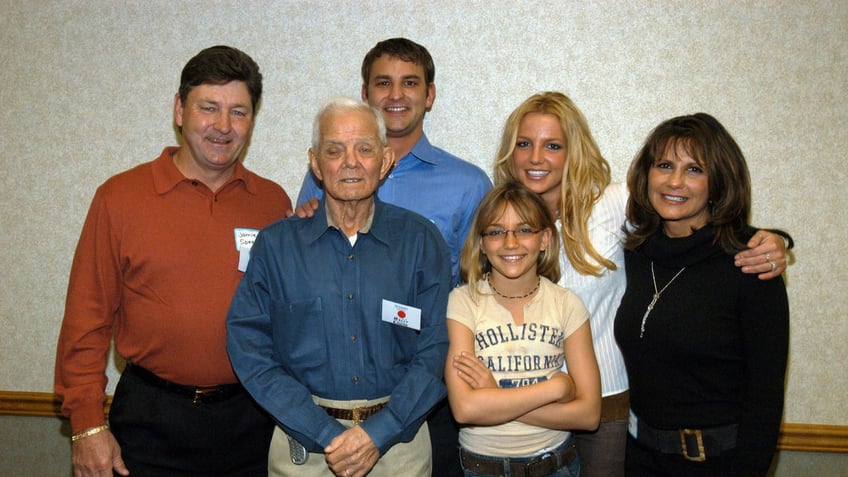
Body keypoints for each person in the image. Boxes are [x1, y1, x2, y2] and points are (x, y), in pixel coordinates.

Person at [492, 92, 790, 477]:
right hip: (530, 405)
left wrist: (774, 240)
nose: (536, 158)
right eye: (524, 144)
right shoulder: (499, 222)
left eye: (552, 145)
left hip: (610, 408)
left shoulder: (615, 209)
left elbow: (695, 219)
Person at [54, 45, 292, 476]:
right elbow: (86, 319)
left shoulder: (273, 203)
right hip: (150, 422)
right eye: (209, 108)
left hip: (251, 423)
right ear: (180, 110)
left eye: (239, 112)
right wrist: (86, 426)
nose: (223, 126)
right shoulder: (120, 198)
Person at [296, 37, 492, 475]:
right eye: (383, 83)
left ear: (430, 95)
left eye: (410, 83)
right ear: (365, 94)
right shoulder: (325, 176)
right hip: (339, 390)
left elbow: (482, 285)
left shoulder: (468, 183)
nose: (396, 95)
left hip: (429, 382)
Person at [226, 97, 452, 477]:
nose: (350, 161)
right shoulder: (277, 246)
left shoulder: (420, 241)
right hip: (304, 445)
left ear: (385, 161)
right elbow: (249, 347)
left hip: (399, 445)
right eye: (335, 150)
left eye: (364, 149)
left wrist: (378, 433)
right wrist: (324, 431)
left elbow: (437, 347)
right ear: (315, 163)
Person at [614, 113, 789, 476]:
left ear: (719, 182)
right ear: (647, 174)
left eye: (694, 170)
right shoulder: (633, 252)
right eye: (664, 165)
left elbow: (765, 397)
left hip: (717, 464)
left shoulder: (749, 264)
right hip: (639, 458)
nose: (675, 181)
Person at [445, 182, 601, 477]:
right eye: (496, 231)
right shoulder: (463, 301)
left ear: (544, 239)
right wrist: (556, 388)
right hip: (483, 468)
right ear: (481, 243)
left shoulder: (567, 304)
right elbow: (466, 409)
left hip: (555, 465)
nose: (511, 242)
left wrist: (494, 396)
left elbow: (589, 414)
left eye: (524, 229)